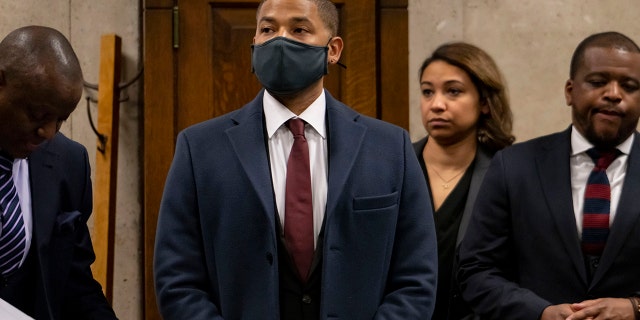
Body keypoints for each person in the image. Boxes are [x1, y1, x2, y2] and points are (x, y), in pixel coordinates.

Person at [153, 0, 438, 319]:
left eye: (299, 29)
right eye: (268, 29)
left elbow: (416, 278)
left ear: (333, 50)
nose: (279, 40)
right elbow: (177, 280)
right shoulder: (200, 148)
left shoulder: (389, 147)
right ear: (254, 43)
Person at [458, 31, 640, 320]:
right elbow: (476, 270)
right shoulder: (514, 167)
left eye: (629, 86)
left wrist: (635, 308)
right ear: (570, 91)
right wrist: (539, 313)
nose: (614, 94)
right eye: (597, 82)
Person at [0, 26, 118, 319]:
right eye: (38, 116)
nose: (48, 133)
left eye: (61, 120)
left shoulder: (69, 162)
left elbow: (74, 285)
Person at [413, 42, 515, 320]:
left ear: (484, 102)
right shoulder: (396, 165)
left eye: (453, 91)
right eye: (427, 92)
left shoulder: (508, 172)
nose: (436, 104)